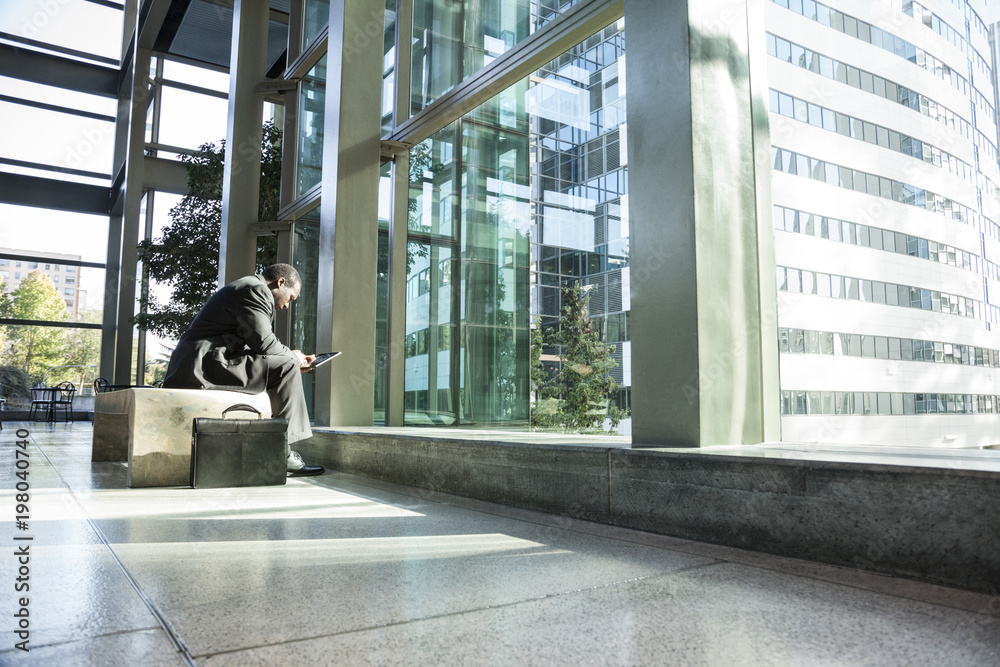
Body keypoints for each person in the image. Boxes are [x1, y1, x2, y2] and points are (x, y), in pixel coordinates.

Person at [163, 263, 324, 476]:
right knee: (287, 366)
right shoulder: (256, 290)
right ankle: (280, 454)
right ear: (280, 282)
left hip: (205, 360)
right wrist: (293, 357)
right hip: (203, 364)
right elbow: (263, 343)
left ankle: (278, 449)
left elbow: (255, 343)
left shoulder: (246, 286)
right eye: (290, 298)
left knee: (287, 363)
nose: (287, 306)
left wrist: (291, 356)